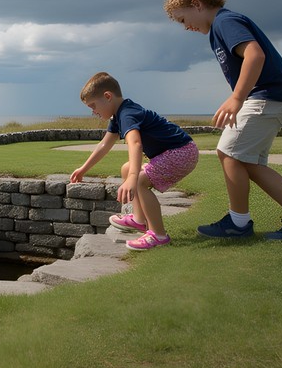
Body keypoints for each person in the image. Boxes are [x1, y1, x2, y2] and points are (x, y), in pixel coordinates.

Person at [163, 0, 282, 241]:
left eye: (183, 19)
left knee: (228, 153)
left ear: (196, 4)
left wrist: (237, 98)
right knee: (248, 163)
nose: (186, 26)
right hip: (274, 98)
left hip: (267, 97)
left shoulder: (225, 22)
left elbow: (255, 54)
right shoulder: (218, 28)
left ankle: (238, 223)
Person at [70, 72, 200, 250]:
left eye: (93, 106)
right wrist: (84, 168)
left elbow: (136, 143)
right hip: (181, 151)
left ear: (107, 97)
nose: (93, 112)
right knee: (126, 168)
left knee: (138, 180)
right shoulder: (118, 115)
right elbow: (104, 145)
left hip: (182, 152)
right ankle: (139, 220)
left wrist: (133, 177)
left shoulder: (127, 114)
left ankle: (159, 235)